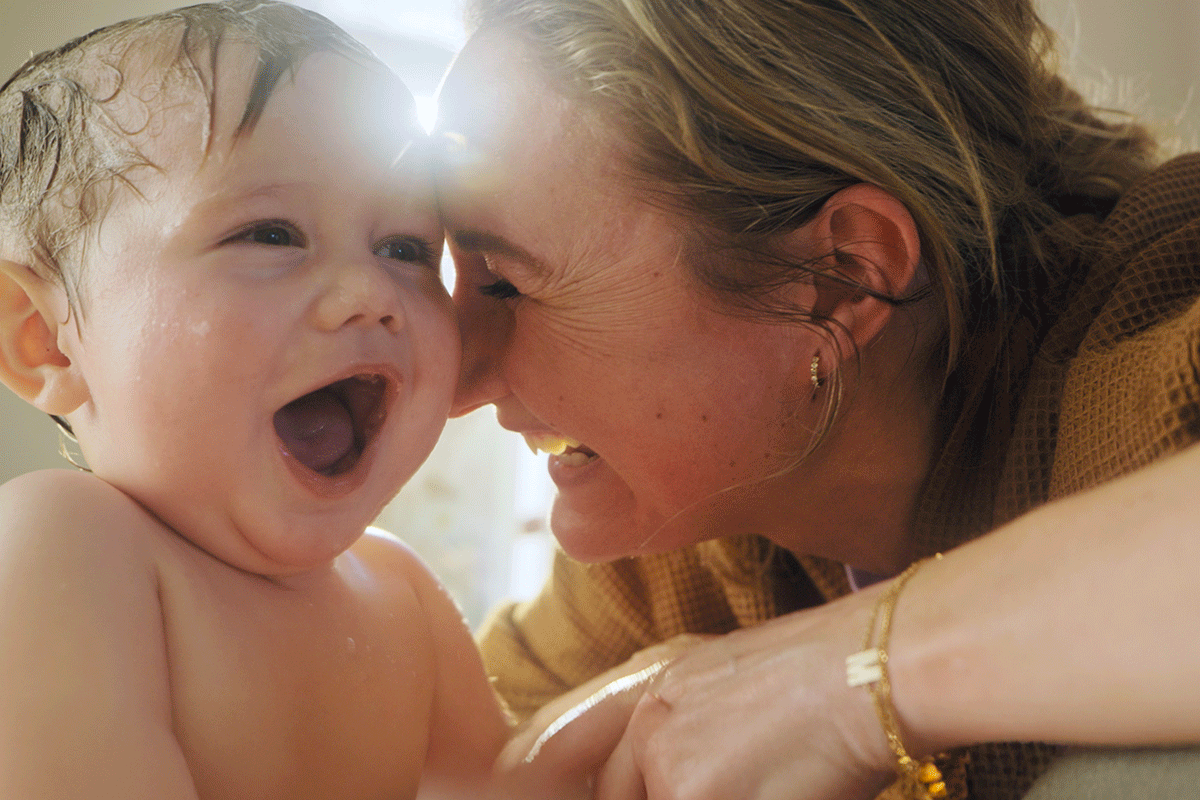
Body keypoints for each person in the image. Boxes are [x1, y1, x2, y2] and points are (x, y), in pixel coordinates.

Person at [434, 0, 1200, 798]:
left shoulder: (1158, 337)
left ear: (843, 278)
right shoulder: (691, 534)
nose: (452, 378)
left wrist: (849, 676)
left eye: (505, 284)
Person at [0, 2, 508, 797]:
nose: (369, 293)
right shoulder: (67, 544)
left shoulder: (401, 591)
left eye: (407, 249)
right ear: (46, 340)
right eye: (271, 234)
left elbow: (498, 788)